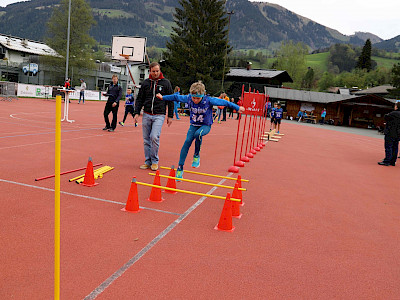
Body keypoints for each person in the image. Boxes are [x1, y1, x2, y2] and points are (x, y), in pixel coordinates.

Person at [156, 81, 245, 179]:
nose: (195, 100)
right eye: (194, 98)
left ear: (203, 95)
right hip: (193, 125)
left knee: (198, 134)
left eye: (198, 98)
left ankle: (196, 155)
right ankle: (180, 168)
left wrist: (237, 107)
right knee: (187, 142)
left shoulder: (209, 100)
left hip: (205, 126)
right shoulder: (189, 98)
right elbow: (176, 97)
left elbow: (224, 102)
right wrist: (163, 97)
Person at [134, 62, 173, 171]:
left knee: (154, 137)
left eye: (157, 71)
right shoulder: (146, 83)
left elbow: (170, 100)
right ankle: (148, 161)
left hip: (159, 115)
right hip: (146, 114)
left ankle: (155, 161)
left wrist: (170, 116)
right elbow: (140, 99)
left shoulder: (166, 83)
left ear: (160, 70)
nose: (155, 73)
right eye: (153, 71)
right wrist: (136, 112)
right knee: (146, 139)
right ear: (150, 71)